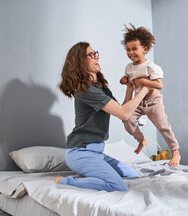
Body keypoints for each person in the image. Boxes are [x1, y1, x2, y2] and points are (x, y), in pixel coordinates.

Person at [52, 42, 150, 192]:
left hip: (97, 153)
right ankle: (65, 181)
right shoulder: (85, 89)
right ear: (80, 61)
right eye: (91, 55)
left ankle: (88, 177)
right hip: (80, 152)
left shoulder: (101, 88)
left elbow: (123, 113)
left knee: (133, 175)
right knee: (117, 186)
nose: (96, 57)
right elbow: (124, 112)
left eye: (95, 53)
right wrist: (145, 89)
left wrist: (130, 89)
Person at [119, 24, 181, 166]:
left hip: (153, 102)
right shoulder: (129, 67)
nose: (131, 52)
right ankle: (141, 139)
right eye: (128, 49)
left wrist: (142, 80)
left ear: (145, 49)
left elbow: (159, 85)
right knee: (127, 120)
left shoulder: (151, 67)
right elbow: (128, 79)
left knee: (163, 126)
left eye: (134, 49)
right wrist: (124, 80)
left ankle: (175, 151)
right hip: (137, 102)